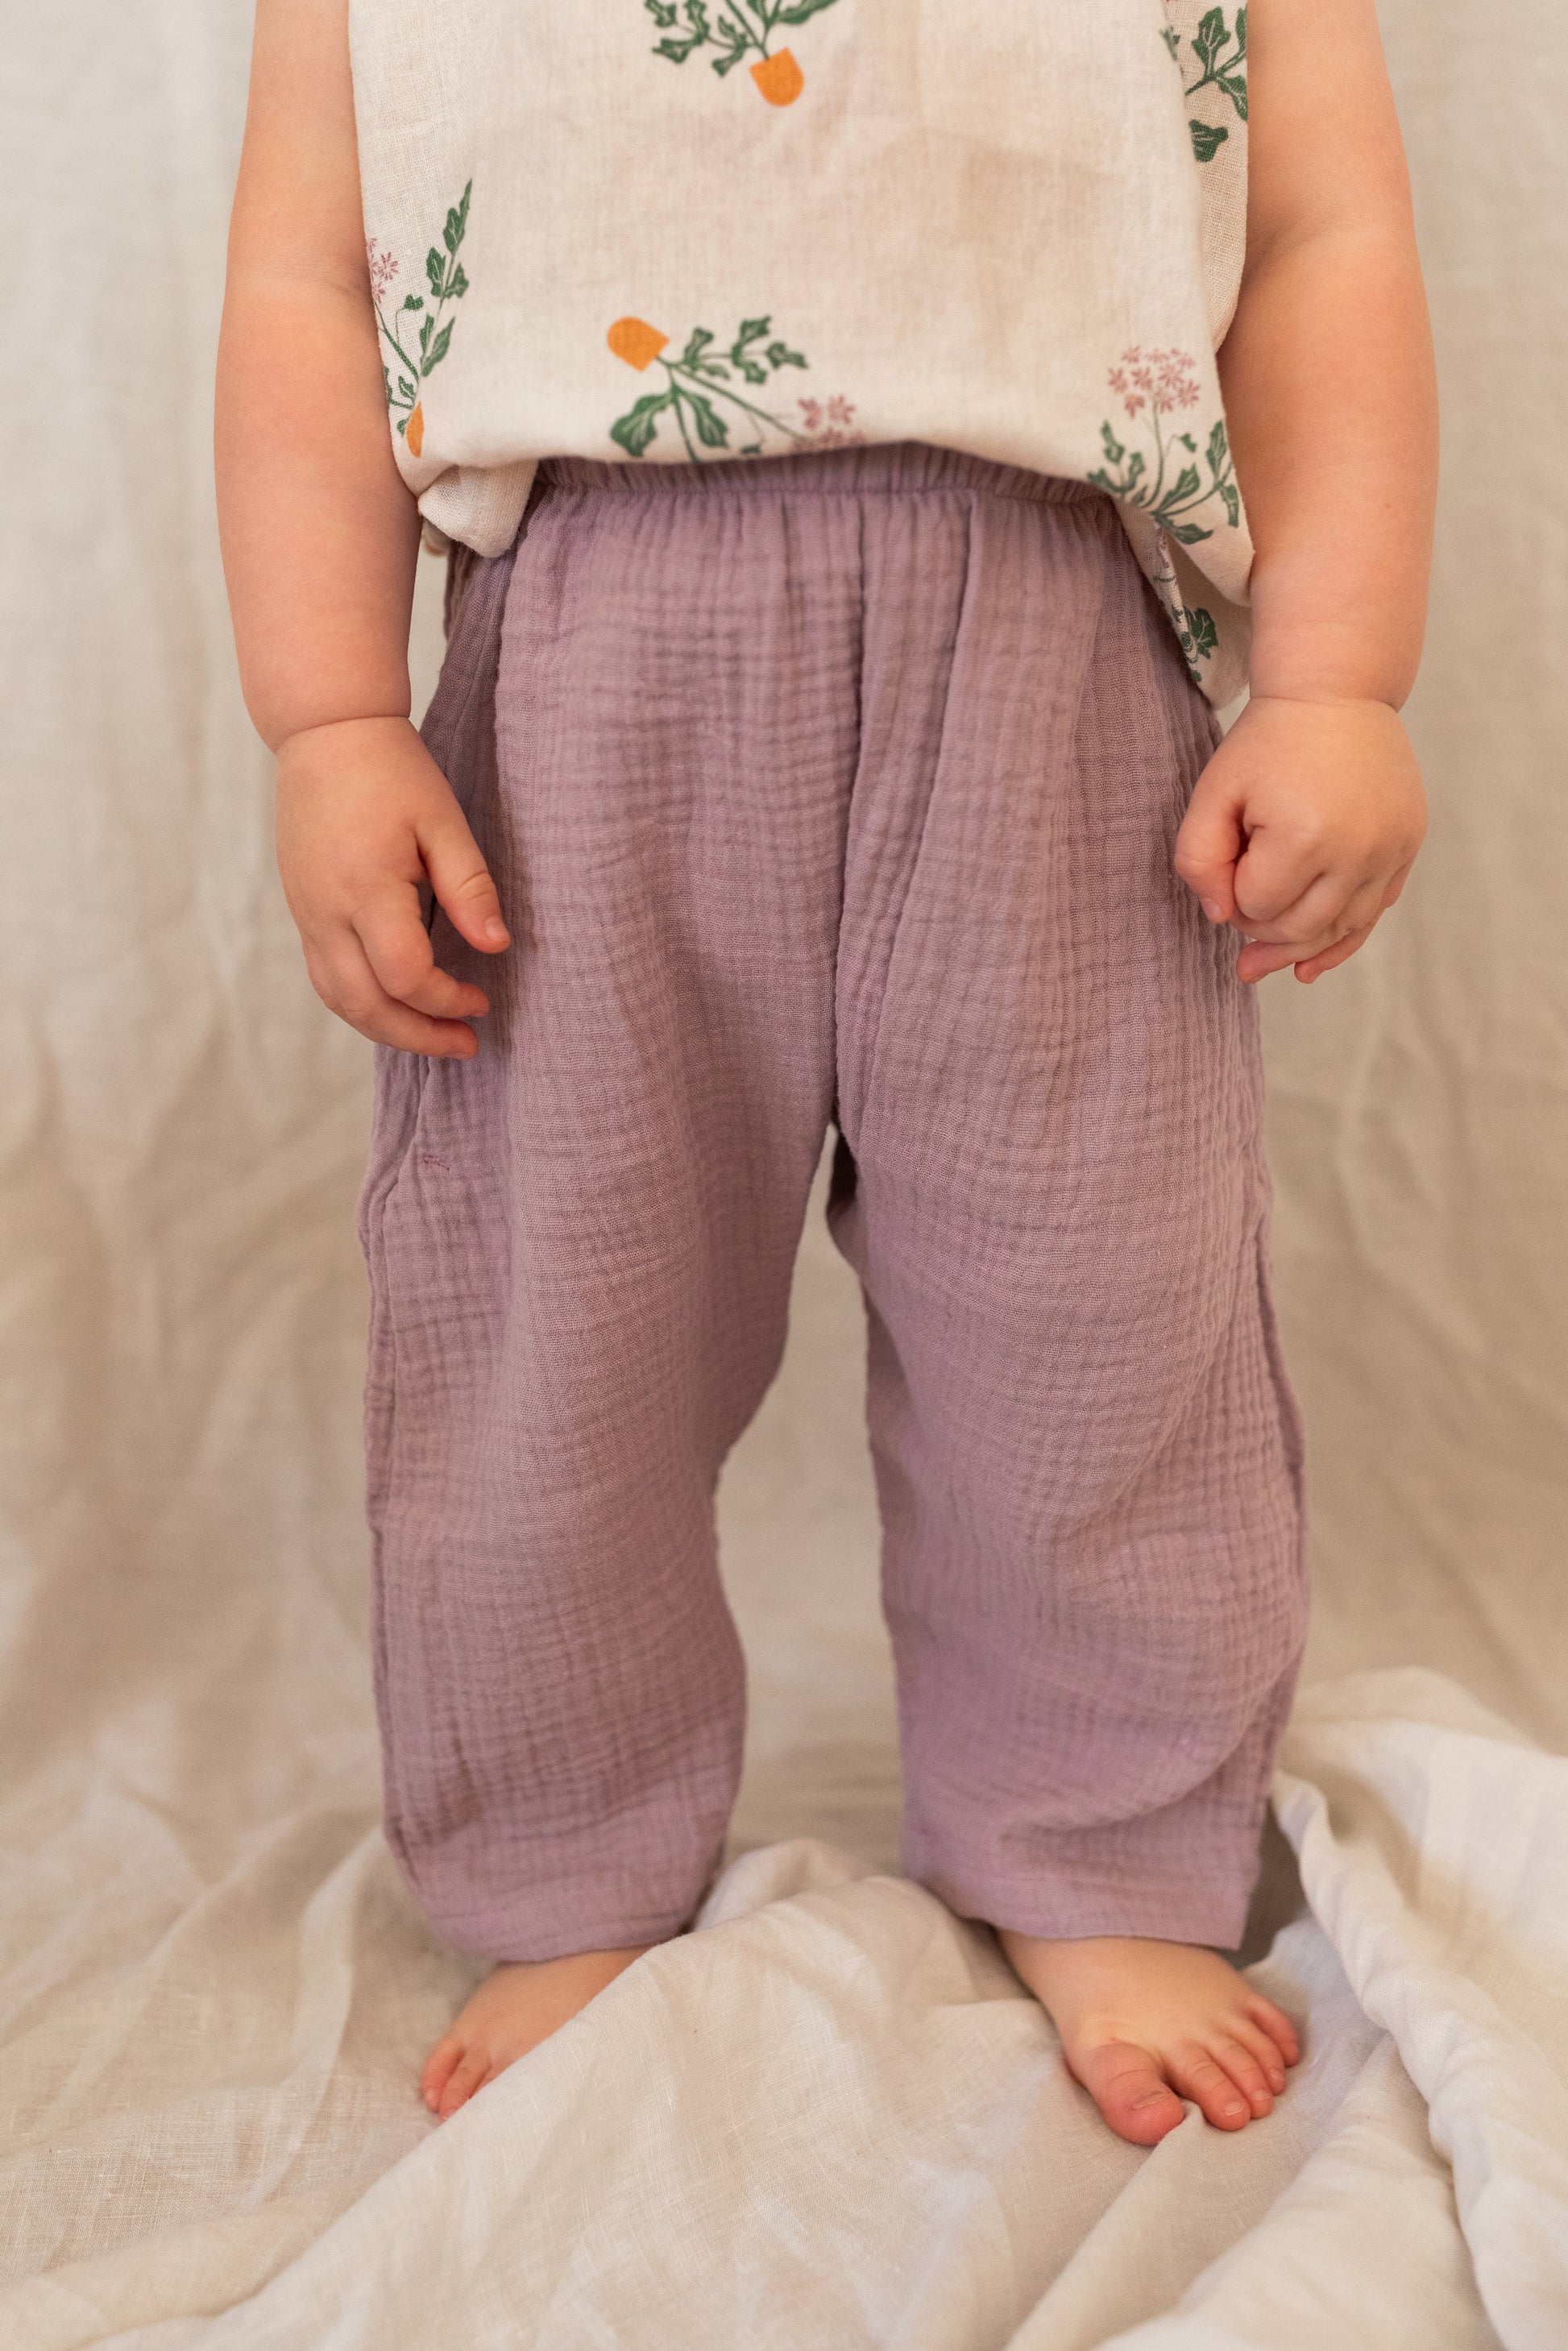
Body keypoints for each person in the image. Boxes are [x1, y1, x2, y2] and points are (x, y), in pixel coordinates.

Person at [215, 0, 1435, 2146]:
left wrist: (1336, 679)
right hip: (587, 682)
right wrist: (332, 716)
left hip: (1052, 639)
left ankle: (1092, 1836)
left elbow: (1315, 232)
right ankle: (566, 1850)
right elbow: (315, 275)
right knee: (562, 1322)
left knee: (1095, 1304)